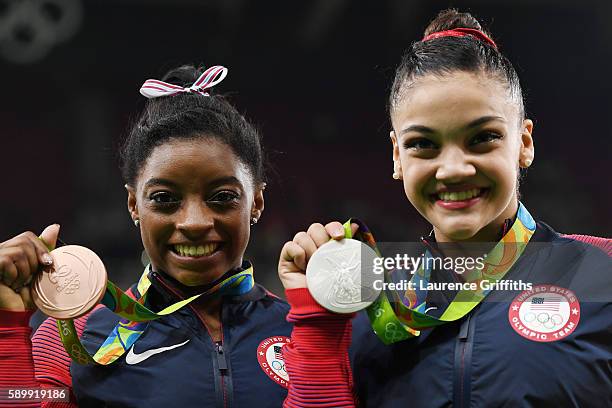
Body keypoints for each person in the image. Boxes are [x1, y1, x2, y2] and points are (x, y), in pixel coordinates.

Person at [278, 9, 612, 408]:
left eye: (483, 137)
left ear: (524, 143)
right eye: (423, 144)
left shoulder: (602, 273)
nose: (454, 169)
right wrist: (317, 322)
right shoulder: (367, 301)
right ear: (397, 157)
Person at [0, 64, 293, 407]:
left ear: (256, 201)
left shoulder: (306, 332)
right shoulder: (73, 336)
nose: (195, 222)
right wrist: (7, 330)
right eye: (165, 199)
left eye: (223, 196)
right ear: (133, 204)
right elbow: (14, 397)